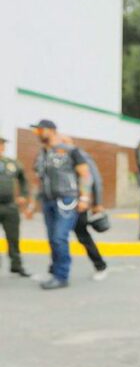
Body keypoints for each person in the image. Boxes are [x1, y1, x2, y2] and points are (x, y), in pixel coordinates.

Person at [30, 119, 92, 289]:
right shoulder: (41, 154)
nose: (38, 133)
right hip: (48, 201)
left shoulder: (70, 151)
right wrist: (31, 205)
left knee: (59, 237)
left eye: (40, 130)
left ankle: (61, 276)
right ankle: (55, 271)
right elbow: (37, 181)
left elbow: (85, 174)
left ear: (51, 130)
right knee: (52, 239)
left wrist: (84, 198)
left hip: (66, 199)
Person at [61, 138, 108, 281]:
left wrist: (97, 203)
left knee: (82, 236)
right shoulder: (57, 157)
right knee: (57, 237)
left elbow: (95, 179)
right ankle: (56, 270)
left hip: (78, 203)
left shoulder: (80, 156)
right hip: (61, 203)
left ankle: (100, 266)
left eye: (64, 142)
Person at [0, 135, 31, 277]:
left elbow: (23, 180)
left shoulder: (12, 163)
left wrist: (23, 195)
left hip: (10, 207)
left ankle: (16, 265)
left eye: (1, 144)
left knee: (13, 238)